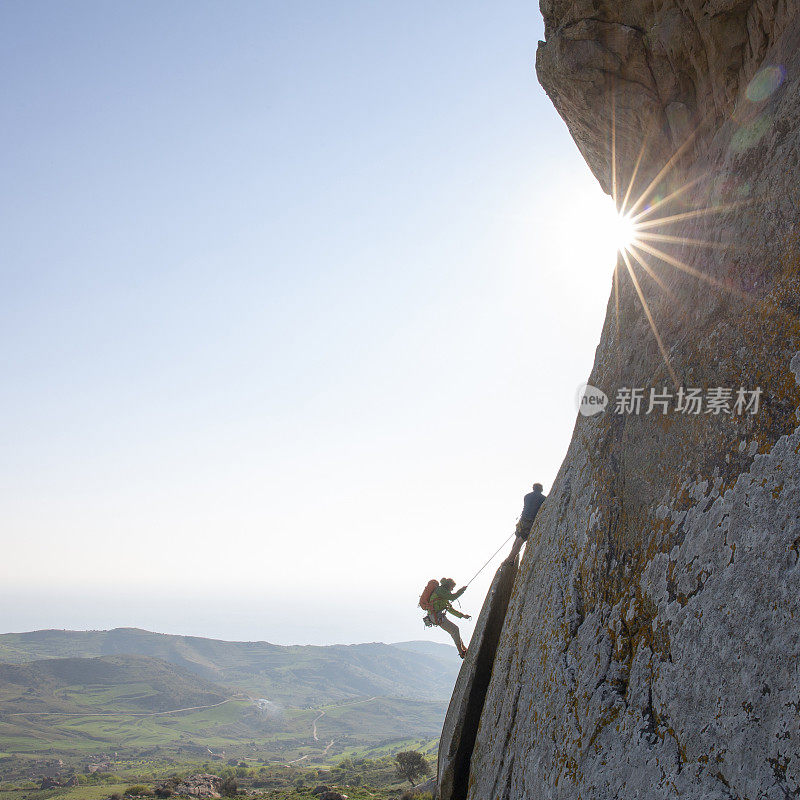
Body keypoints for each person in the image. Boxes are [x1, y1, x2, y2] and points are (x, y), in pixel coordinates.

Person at [431, 578, 470, 658]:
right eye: (452, 587)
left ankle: (464, 649)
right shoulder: (440, 590)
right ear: (448, 585)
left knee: (454, 631)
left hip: (437, 616)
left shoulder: (443, 594)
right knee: (455, 629)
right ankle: (461, 652)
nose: (452, 589)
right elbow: (453, 597)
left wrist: (462, 616)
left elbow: (450, 609)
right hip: (436, 616)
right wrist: (462, 590)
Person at [507, 482, 547, 561]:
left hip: (522, 520)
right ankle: (510, 559)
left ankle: (511, 558)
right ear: (541, 489)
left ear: (533, 488)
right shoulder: (543, 498)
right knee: (520, 542)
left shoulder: (527, 496)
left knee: (517, 538)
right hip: (530, 522)